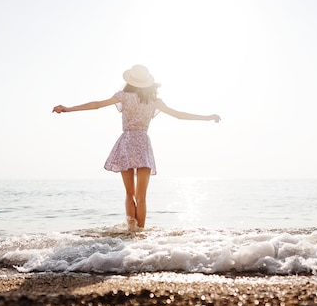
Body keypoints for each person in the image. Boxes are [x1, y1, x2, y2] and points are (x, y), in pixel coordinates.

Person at [52, 64, 221, 229]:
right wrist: (208, 117)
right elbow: (180, 115)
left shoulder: (123, 96)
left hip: (126, 142)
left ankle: (130, 231)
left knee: (129, 194)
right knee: (142, 197)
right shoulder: (154, 100)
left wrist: (68, 109)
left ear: (130, 81)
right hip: (143, 144)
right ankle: (140, 235)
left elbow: (96, 104)